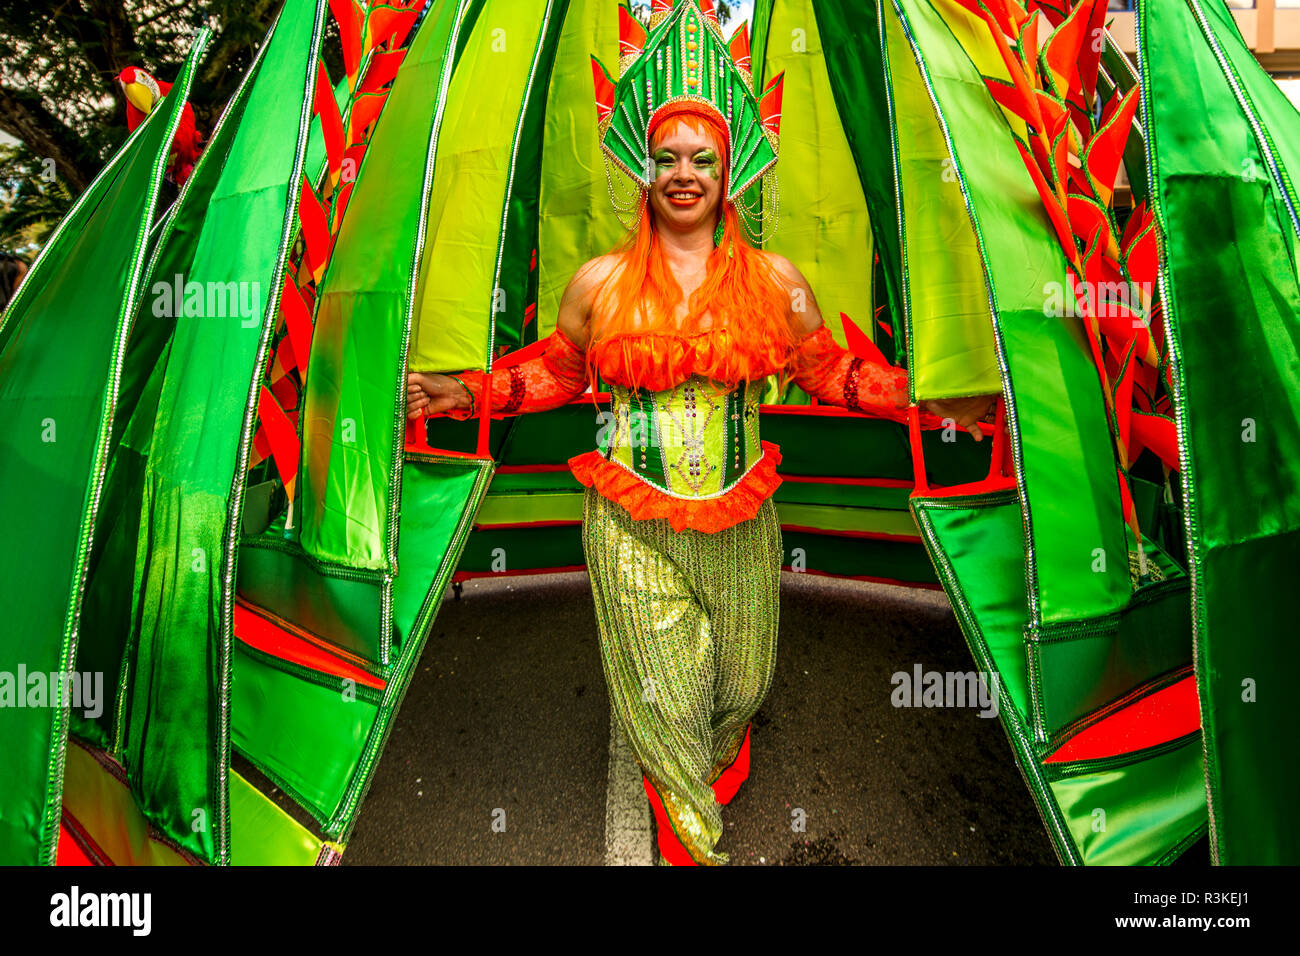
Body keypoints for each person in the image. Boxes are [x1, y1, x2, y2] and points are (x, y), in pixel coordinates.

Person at [406, 0, 994, 865]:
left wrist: (928, 402)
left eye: (702, 159)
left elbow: (826, 370)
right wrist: (459, 392)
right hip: (628, 523)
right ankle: (692, 838)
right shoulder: (599, 281)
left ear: (731, 169)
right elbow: (554, 374)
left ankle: (709, 760)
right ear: (643, 169)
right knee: (668, 691)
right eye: (668, 158)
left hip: (743, 520)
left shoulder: (776, 280)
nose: (684, 174)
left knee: (740, 683)